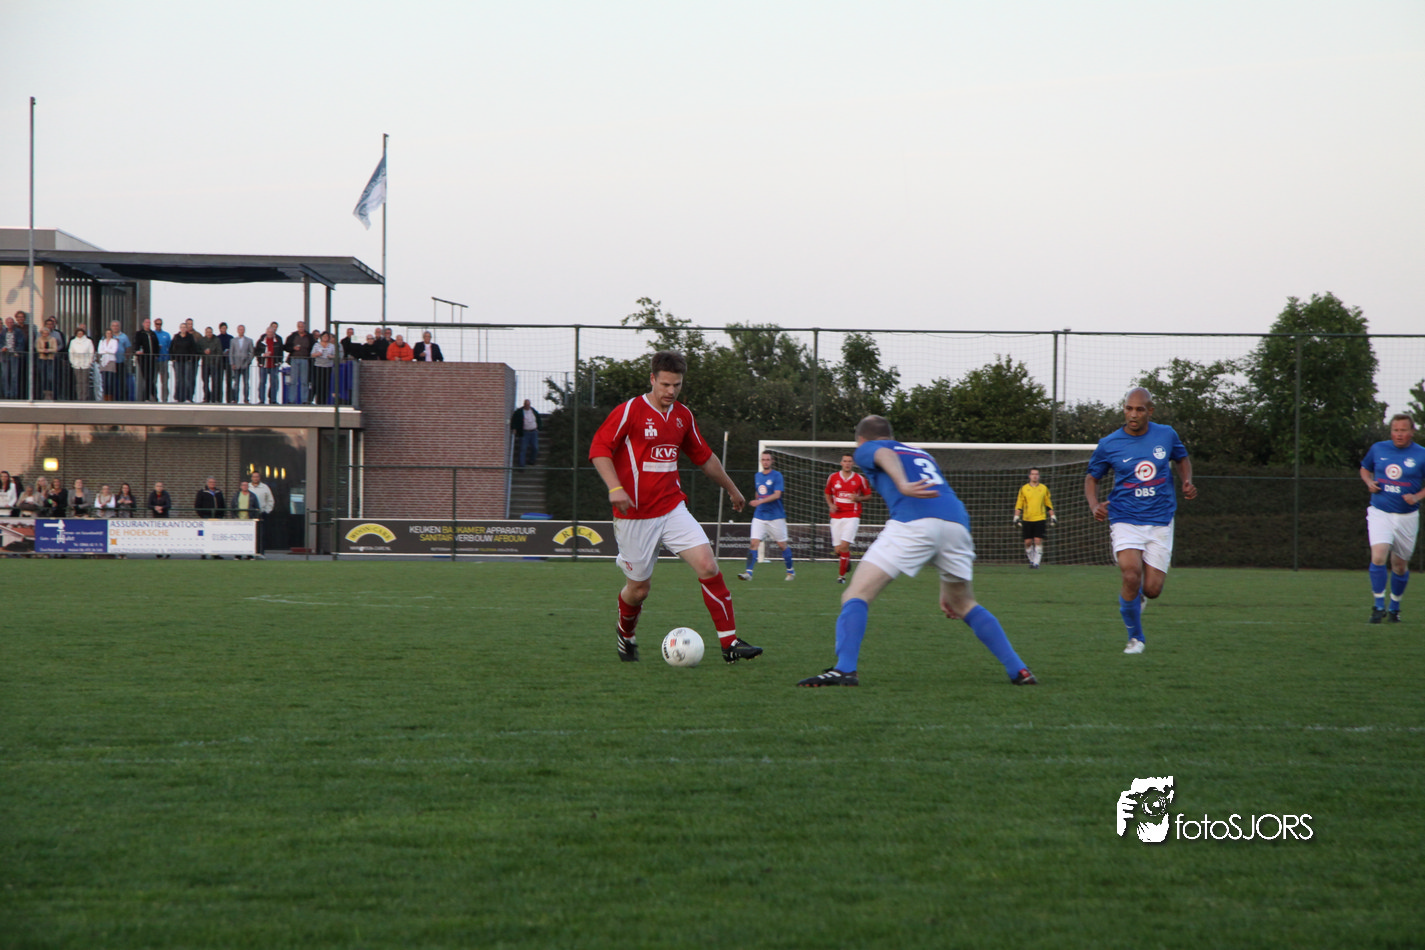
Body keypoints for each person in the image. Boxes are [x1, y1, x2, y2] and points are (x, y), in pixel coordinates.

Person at [797, 415, 1037, 687]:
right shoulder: (921, 453)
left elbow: (884, 453)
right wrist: (946, 584)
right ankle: (1019, 670)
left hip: (913, 521)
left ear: (861, 439)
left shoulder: (868, 448)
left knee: (856, 594)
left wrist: (901, 483)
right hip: (957, 523)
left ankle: (845, 670)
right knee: (962, 603)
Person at [589, 350, 761, 664]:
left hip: (672, 508)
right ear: (652, 379)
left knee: (708, 565)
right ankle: (625, 633)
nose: (671, 391)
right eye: (665, 384)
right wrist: (615, 487)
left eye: (677, 385)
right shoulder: (630, 411)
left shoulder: (683, 416)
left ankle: (730, 643)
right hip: (634, 516)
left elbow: (705, 458)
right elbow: (599, 448)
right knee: (638, 590)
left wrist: (732, 488)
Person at [1084, 387, 1197, 655]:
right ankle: (1135, 638)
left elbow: (1182, 459)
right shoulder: (1109, 443)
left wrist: (1187, 481)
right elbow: (1092, 478)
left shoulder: (1166, 435)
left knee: (1153, 589)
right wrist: (1094, 505)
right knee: (1131, 574)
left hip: (1160, 519)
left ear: (1150, 411)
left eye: (1139, 409)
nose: (1133, 414)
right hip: (1125, 518)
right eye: (1128, 409)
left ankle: (1140, 597)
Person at [1360, 413, 1425, 623]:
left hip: (1407, 517)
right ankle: (1378, 606)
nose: (1399, 434)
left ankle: (1394, 607)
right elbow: (1365, 468)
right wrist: (1369, 482)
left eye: (1403, 430)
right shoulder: (1378, 448)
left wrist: (1416, 497)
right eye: (1395, 430)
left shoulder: (1421, 454)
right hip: (1380, 512)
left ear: (1412, 432)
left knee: (1399, 566)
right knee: (1378, 557)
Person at [738, 451, 796, 581]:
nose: (765, 462)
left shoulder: (777, 476)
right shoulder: (757, 476)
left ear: (772, 461)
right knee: (754, 543)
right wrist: (757, 500)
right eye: (763, 459)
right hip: (759, 516)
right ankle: (748, 573)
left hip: (776, 516)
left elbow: (777, 495)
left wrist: (759, 502)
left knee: (782, 545)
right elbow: (758, 492)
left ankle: (790, 572)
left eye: (768, 459)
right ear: (761, 461)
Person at [825, 452, 873, 584]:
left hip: (852, 515)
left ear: (853, 463)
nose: (847, 464)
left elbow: (869, 495)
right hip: (836, 515)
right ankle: (846, 559)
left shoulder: (859, 479)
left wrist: (858, 498)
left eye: (849, 461)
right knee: (838, 550)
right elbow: (827, 492)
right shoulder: (833, 477)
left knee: (844, 546)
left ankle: (841, 577)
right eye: (845, 461)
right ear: (841, 463)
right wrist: (830, 505)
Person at [1013, 468, 1056, 569]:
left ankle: (1036, 563)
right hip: (1027, 518)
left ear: (1039, 476)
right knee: (1028, 542)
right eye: (1033, 474)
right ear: (1029, 476)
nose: (1035, 476)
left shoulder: (1044, 488)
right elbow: (1019, 504)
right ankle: (1032, 560)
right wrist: (1016, 517)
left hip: (1040, 518)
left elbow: (1048, 503)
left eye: (1036, 474)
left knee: (1038, 540)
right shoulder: (1024, 489)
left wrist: (1053, 516)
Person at [168, 321, 199, 402]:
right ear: (180, 328)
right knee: (178, 379)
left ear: (186, 328)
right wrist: (172, 358)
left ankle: (187, 397)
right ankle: (178, 397)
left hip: (187, 361)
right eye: (182, 327)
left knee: (187, 379)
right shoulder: (176, 337)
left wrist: (191, 358)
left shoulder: (190, 337)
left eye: (184, 327)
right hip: (177, 361)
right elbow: (171, 348)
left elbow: (193, 348)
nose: (183, 329)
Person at [284, 321, 313, 404]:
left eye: (302, 326)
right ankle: (291, 400)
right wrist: (293, 348)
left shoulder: (309, 337)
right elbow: (286, 347)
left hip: (305, 359)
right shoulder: (292, 336)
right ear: (297, 327)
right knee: (293, 381)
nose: (301, 328)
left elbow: (313, 346)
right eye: (299, 326)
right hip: (294, 359)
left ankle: (304, 400)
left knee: (304, 381)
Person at [247, 470, 275, 556]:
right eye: (254, 476)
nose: (255, 478)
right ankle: (250, 553)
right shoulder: (247, 487)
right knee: (250, 534)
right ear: (251, 478)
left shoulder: (265, 487)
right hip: (249, 514)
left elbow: (270, 500)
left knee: (261, 534)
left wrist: (267, 511)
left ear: (259, 478)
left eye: (257, 477)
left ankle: (260, 552)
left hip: (261, 513)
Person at [132, 317, 160, 402]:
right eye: (146, 323)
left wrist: (156, 354)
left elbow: (156, 344)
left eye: (149, 323)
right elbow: (136, 344)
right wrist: (137, 351)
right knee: (147, 377)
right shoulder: (139, 333)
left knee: (151, 378)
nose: (148, 324)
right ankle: (150, 396)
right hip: (143, 359)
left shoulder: (152, 334)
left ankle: (150, 396)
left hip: (152, 359)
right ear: (143, 324)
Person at [256, 324, 283, 404]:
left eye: (272, 332)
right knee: (262, 383)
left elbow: (280, 351)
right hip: (263, 365)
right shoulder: (261, 341)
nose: (270, 334)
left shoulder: (278, 340)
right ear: (266, 332)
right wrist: (263, 355)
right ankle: (261, 400)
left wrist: (280, 361)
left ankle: (273, 400)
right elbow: (256, 351)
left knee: (274, 383)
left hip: (274, 365)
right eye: (269, 332)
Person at [510, 399, 541, 468]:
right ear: (524, 405)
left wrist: (539, 427)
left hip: (533, 432)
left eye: (528, 405)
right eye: (526, 405)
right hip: (524, 432)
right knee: (523, 449)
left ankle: (532, 461)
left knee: (535, 447)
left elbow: (538, 419)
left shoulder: (533, 411)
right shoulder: (519, 412)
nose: (527, 406)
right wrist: (514, 428)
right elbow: (514, 420)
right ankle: (521, 465)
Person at [68, 326, 95, 402]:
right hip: (76, 364)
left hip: (85, 364)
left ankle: (85, 397)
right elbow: (71, 352)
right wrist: (73, 362)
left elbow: (91, 352)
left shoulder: (88, 341)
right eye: (78, 333)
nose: (80, 334)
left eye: (81, 333)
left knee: (85, 381)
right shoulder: (73, 341)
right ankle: (79, 397)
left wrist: (89, 362)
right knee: (78, 382)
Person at [228, 324, 254, 403]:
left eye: (242, 329)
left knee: (246, 383)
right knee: (236, 383)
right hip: (236, 365)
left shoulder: (249, 340)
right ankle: (235, 399)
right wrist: (232, 363)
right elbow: (231, 353)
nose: (241, 331)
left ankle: (246, 399)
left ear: (244, 330)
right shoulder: (233, 341)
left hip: (245, 365)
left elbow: (252, 352)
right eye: (240, 329)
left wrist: (248, 362)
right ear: (237, 330)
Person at [198, 326, 223, 402]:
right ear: (205, 333)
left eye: (210, 332)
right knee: (205, 381)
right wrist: (204, 352)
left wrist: (216, 361)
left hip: (214, 364)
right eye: (207, 332)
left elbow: (219, 351)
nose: (209, 333)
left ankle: (214, 398)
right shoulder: (202, 340)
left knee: (215, 382)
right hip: (205, 363)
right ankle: (206, 397)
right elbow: (198, 350)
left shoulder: (216, 340)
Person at [35, 318, 59, 399]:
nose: (45, 334)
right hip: (42, 359)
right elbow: (37, 348)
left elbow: (55, 349)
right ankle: (43, 394)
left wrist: (48, 350)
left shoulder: (53, 339)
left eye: (46, 333)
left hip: (50, 359)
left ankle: (51, 394)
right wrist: (43, 351)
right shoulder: (39, 339)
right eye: (44, 333)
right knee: (42, 377)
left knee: (50, 377)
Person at [311, 331, 337, 405]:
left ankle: (324, 401)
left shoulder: (332, 346)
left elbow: (335, 355)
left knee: (326, 384)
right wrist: (317, 354)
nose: (325, 338)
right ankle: (317, 400)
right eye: (324, 336)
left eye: (327, 336)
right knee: (318, 384)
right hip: (318, 366)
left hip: (328, 366)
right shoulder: (317, 345)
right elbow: (312, 354)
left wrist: (331, 356)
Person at [109, 320, 131, 401]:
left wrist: (126, 357)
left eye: (117, 326)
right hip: (110, 363)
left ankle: (123, 398)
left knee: (122, 381)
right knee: (110, 382)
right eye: (113, 326)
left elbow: (128, 348)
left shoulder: (124, 336)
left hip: (120, 362)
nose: (115, 327)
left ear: (119, 327)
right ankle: (111, 398)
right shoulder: (108, 336)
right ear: (111, 327)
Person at [97, 329, 121, 400]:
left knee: (110, 380)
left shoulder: (114, 341)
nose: (108, 334)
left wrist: (105, 350)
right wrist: (108, 351)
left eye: (110, 333)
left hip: (111, 361)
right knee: (104, 380)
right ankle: (105, 396)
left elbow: (114, 351)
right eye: (107, 333)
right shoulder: (102, 341)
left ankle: (110, 397)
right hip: (103, 361)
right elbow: (100, 351)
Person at [154, 317, 172, 402]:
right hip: (155, 360)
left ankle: (164, 399)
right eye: (157, 324)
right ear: (155, 324)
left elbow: (170, 346)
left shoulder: (166, 335)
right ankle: (154, 398)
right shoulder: (153, 334)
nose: (159, 325)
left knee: (164, 381)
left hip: (164, 360)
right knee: (154, 380)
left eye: (160, 324)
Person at [216, 322, 234, 403]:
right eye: (222, 328)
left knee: (229, 380)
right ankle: (219, 399)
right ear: (220, 329)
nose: (223, 329)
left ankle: (229, 399)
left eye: (225, 328)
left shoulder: (230, 338)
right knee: (219, 380)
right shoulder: (217, 338)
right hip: (220, 361)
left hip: (228, 361)